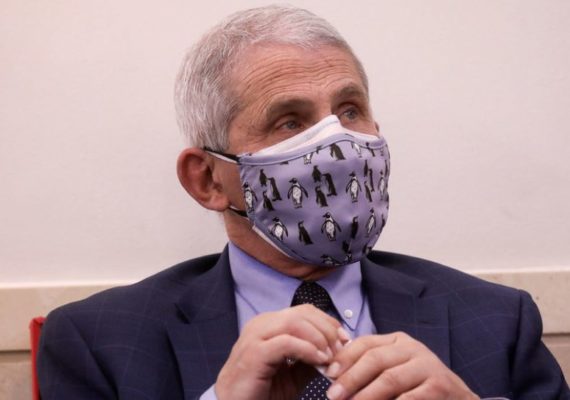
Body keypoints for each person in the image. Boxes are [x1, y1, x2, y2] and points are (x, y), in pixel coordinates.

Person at [38, 5, 569, 400]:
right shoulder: (99, 343)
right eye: (289, 122)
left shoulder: (497, 320)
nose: (338, 145)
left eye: (350, 110)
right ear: (208, 180)